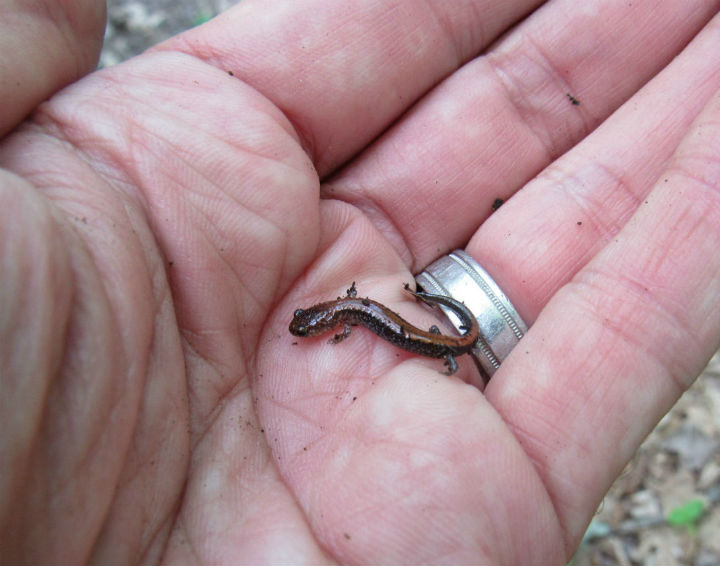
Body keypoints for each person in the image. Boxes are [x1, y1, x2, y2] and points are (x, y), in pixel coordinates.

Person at [2, 1, 719, 563]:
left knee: (443, 341)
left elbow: (356, 320)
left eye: (309, 329)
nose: (310, 330)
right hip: (424, 330)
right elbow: (347, 313)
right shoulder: (338, 312)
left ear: (318, 323)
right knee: (436, 337)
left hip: (435, 336)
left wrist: (429, 338)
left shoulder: (344, 319)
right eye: (309, 328)